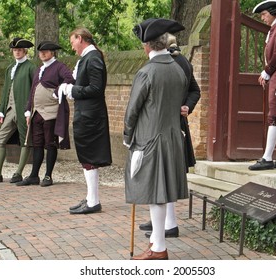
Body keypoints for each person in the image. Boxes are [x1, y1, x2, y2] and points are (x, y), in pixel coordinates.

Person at [124, 18, 188, 260]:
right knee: (161, 193)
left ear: (147, 46)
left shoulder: (147, 72)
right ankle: (155, 243)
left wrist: (128, 136)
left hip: (149, 139)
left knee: (155, 194)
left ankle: (159, 248)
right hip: (172, 138)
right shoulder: (178, 68)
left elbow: (132, 111)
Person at [140, 33, 201, 239]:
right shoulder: (162, 62)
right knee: (162, 175)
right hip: (160, 124)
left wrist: (187, 106)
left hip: (171, 125)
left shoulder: (178, 62)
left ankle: (169, 224)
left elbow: (194, 90)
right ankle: (163, 221)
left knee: (166, 174)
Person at [64, 28, 112, 214]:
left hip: (91, 116)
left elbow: (96, 88)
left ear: (81, 38)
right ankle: (91, 198)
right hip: (87, 114)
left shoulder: (92, 58)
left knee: (89, 156)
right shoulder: (87, 58)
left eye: (72, 42)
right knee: (86, 156)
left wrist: (72, 90)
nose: (72, 46)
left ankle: (93, 202)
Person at [16, 41, 74, 187]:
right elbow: (33, 91)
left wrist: (57, 91)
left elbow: (70, 79)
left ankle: (48, 176)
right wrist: (28, 110)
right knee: (37, 145)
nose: (42, 54)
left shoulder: (59, 67)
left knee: (50, 144)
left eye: (46, 51)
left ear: (52, 53)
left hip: (51, 113)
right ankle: (34, 175)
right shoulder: (39, 69)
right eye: (41, 52)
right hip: (37, 113)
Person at [0, 38, 36, 184]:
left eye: (19, 50)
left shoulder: (31, 67)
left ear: (25, 51)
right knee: (0, 139)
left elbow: (34, 90)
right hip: (10, 110)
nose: (17, 52)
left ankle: (18, 173)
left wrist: (29, 109)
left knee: (25, 140)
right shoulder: (10, 68)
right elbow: (6, 90)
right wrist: (1, 110)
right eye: (15, 50)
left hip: (24, 110)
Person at [249, 0, 276, 171]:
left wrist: (267, 71)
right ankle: (275, 156)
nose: (263, 18)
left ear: (273, 12)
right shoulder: (275, 28)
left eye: (264, 14)